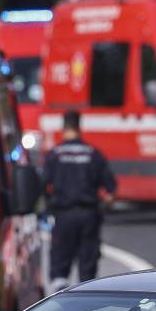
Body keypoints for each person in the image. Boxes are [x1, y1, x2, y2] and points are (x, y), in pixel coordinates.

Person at [43, 109, 116, 287]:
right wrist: (105, 206)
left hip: (63, 215)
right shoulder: (93, 154)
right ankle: (86, 297)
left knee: (60, 269)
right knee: (88, 272)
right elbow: (110, 189)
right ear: (79, 127)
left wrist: (47, 206)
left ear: (63, 128)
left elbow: (42, 185)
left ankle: (61, 299)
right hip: (89, 215)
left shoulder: (55, 154)